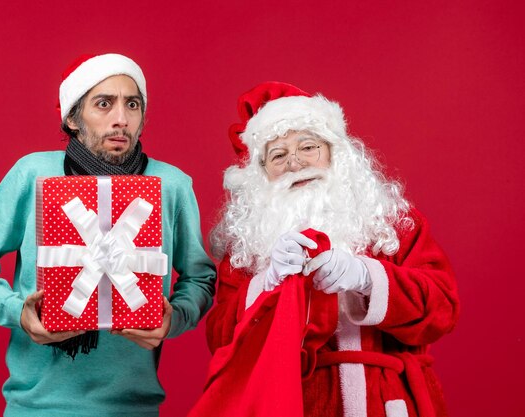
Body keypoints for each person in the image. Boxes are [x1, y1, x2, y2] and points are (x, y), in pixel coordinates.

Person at [0, 53, 216, 417]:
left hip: (134, 408)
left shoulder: (171, 185)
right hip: (35, 407)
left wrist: (176, 317)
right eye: (103, 104)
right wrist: (17, 311)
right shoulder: (33, 174)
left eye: (133, 104)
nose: (121, 119)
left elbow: (201, 277)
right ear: (73, 118)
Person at [188, 82, 459, 417]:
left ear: (335, 153)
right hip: (294, 402)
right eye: (278, 155)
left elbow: (442, 309)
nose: (295, 164)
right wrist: (266, 285)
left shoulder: (393, 222)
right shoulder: (246, 249)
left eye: (308, 147)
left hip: (387, 403)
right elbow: (220, 338)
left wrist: (367, 278)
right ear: (262, 175)